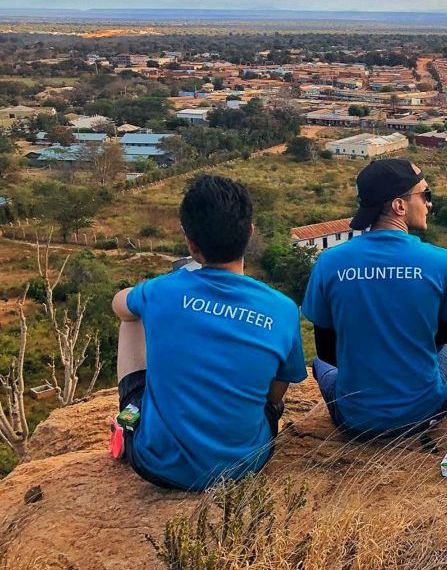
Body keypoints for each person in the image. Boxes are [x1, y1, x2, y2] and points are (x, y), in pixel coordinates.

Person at [110, 175, 307, 491]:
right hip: (246, 463)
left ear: (190, 243)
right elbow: (274, 395)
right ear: (249, 232)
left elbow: (120, 305)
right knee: (268, 402)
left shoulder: (161, 291)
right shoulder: (282, 308)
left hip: (159, 465)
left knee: (131, 319)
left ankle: (129, 418)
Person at [302, 158, 447, 437]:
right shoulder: (438, 261)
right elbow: (444, 337)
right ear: (399, 205)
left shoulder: (329, 262)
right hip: (422, 410)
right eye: (425, 195)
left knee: (318, 362)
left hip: (354, 417)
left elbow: (326, 351)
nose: (429, 204)